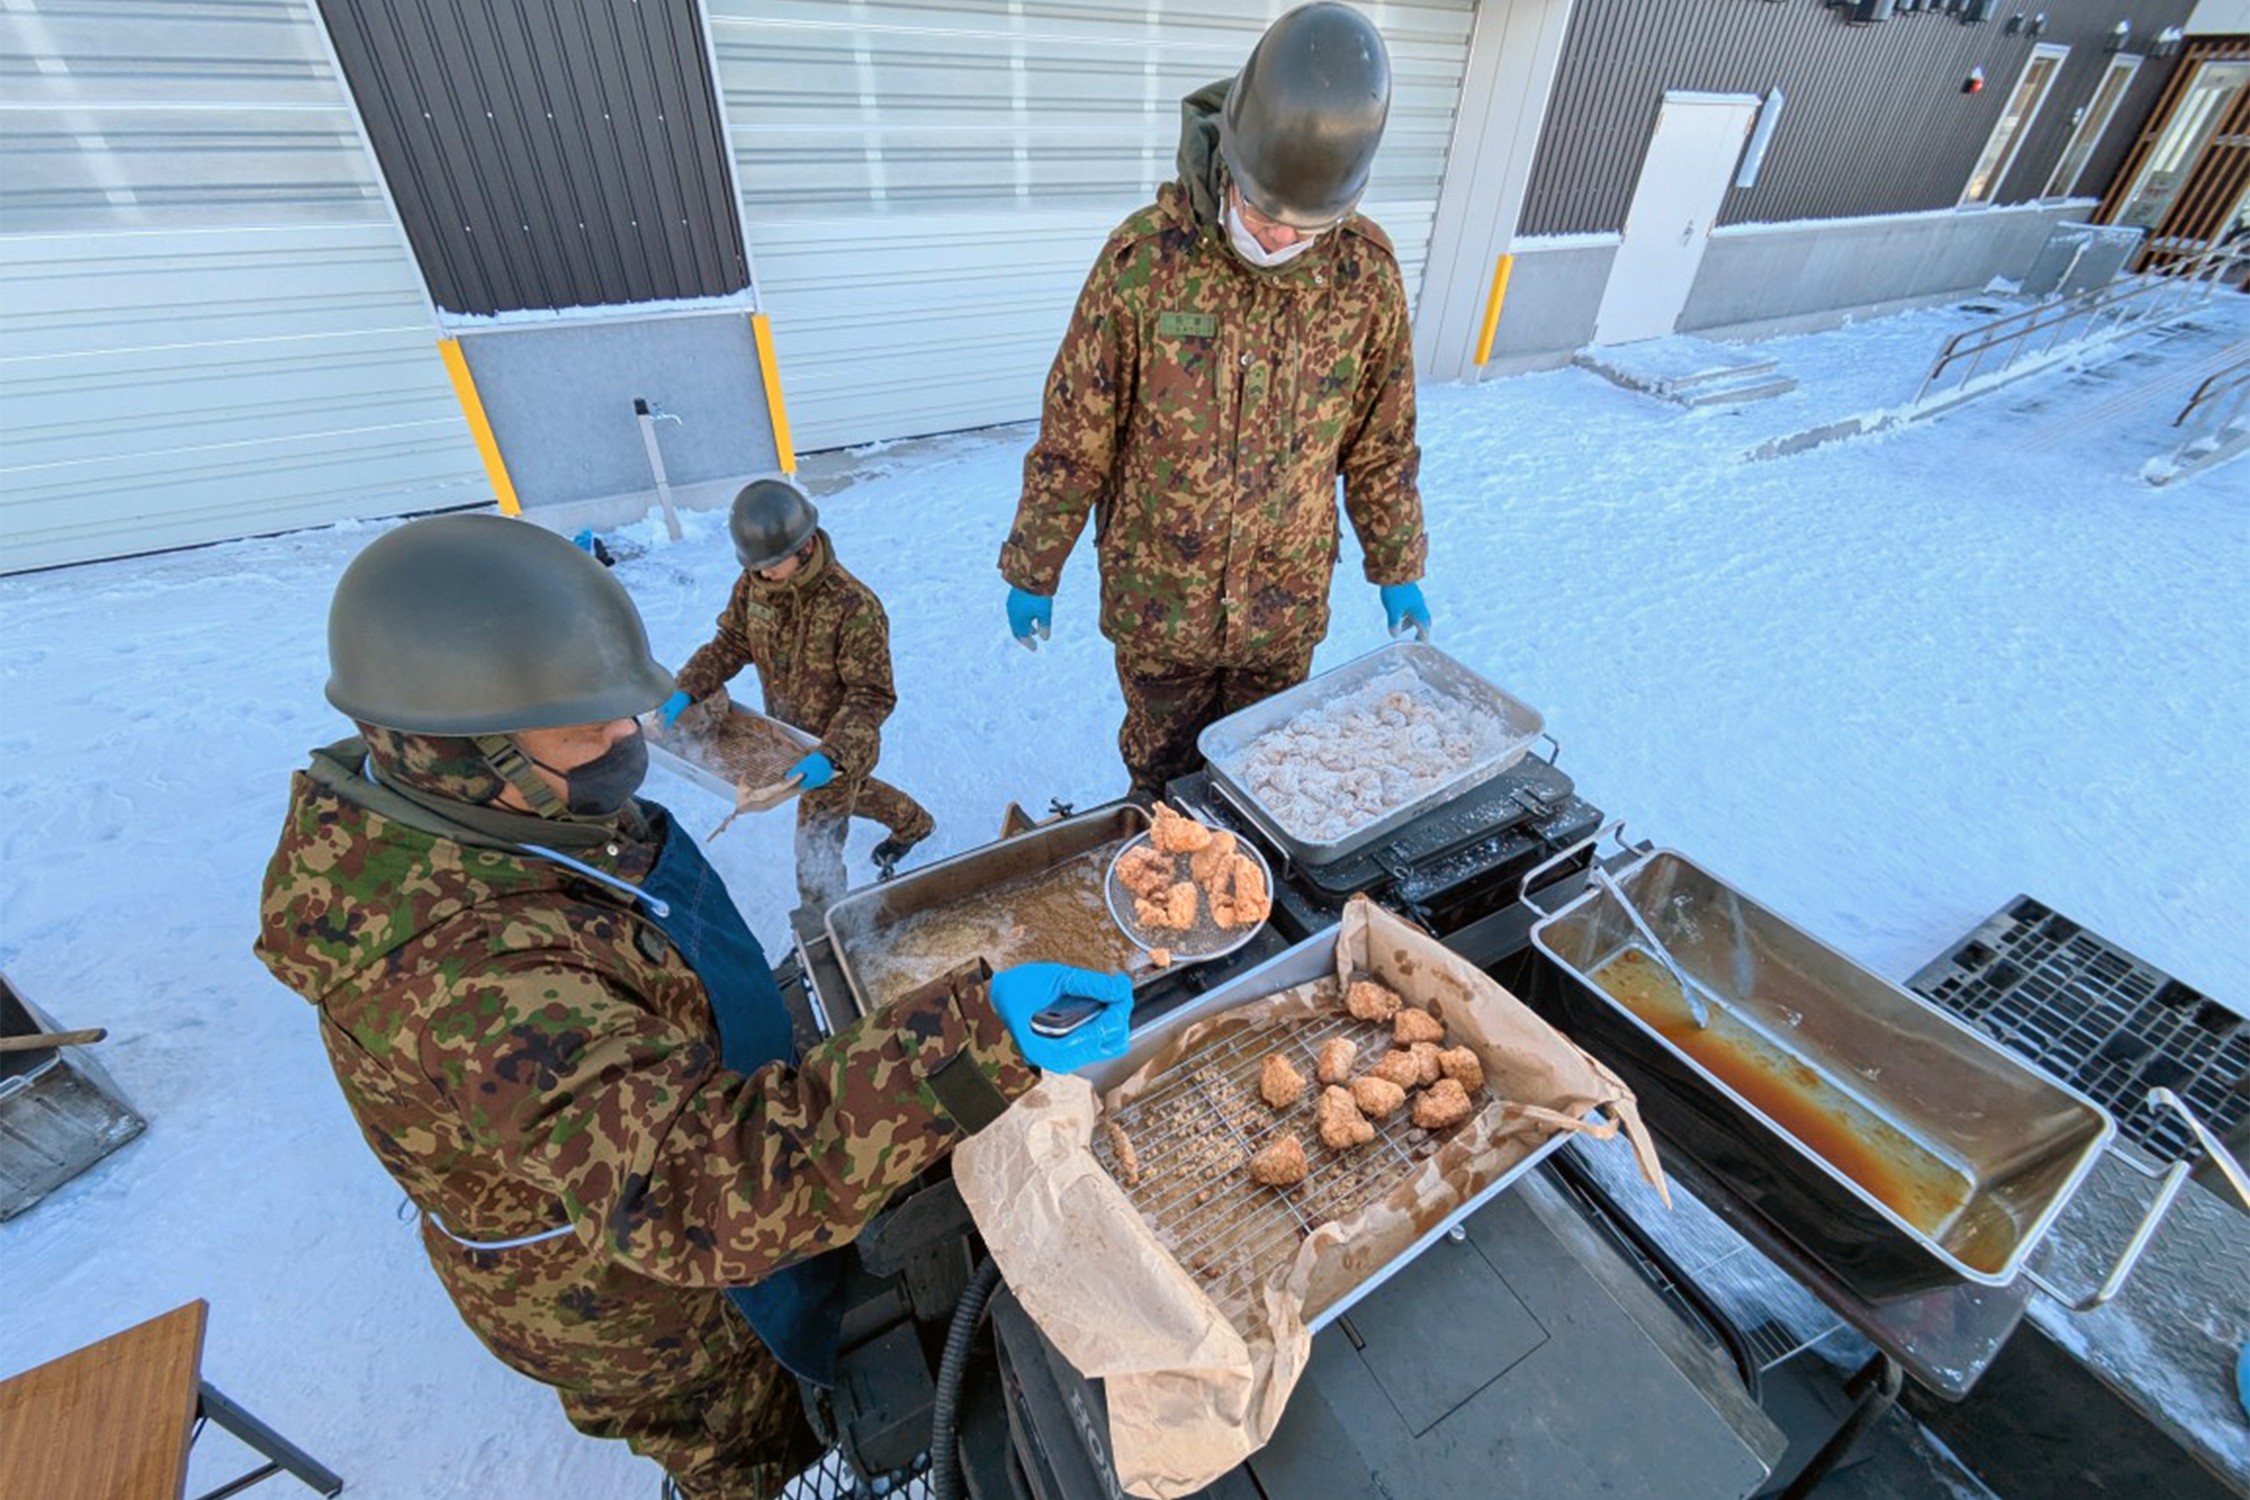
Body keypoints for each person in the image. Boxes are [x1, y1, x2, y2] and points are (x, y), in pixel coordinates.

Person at [254, 513, 1132, 1500]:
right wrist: (977, 1039)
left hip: (677, 1118)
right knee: (756, 1441)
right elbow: (701, 1191)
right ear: (461, 746)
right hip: (641, 1296)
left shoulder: (501, 809)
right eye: (585, 728)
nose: (625, 739)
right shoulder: (460, 976)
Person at [997, 1, 1432, 802]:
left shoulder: (1364, 275)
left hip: (1283, 604)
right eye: (1264, 215)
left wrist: (1396, 563)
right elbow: (1075, 436)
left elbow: (1381, 439)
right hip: (1161, 602)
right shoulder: (1143, 263)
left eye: (1303, 228)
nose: (1275, 241)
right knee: (1163, 784)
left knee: (1269, 781)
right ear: (1230, 156)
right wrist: (1035, 564)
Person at [656, 478, 932, 908]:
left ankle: (822, 933)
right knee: (852, 794)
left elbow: (871, 696)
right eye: (756, 564)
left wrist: (833, 755)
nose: (763, 572)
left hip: (837, 748)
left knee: (814, 851)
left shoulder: (854, 607)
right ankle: (915, 823)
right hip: (785, 739)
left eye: (772, 563)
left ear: (804, 547)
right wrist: (688, 688)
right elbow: (732, 641)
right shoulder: (754, 584)